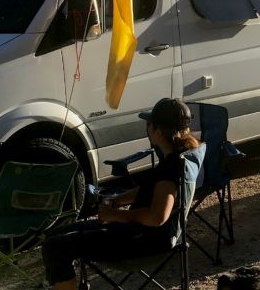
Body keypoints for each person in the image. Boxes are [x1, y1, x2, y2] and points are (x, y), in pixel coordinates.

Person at [41, 98, 201, 290]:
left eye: (149, 124)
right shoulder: (179, 154)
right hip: (141, 233)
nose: (147, 127)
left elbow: (158, 217)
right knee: (54, 235)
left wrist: (117, 215)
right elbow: (152, 190)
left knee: (55, 247)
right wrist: (118, 200)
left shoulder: (171, 166)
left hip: (143, 242)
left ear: (158, 131)